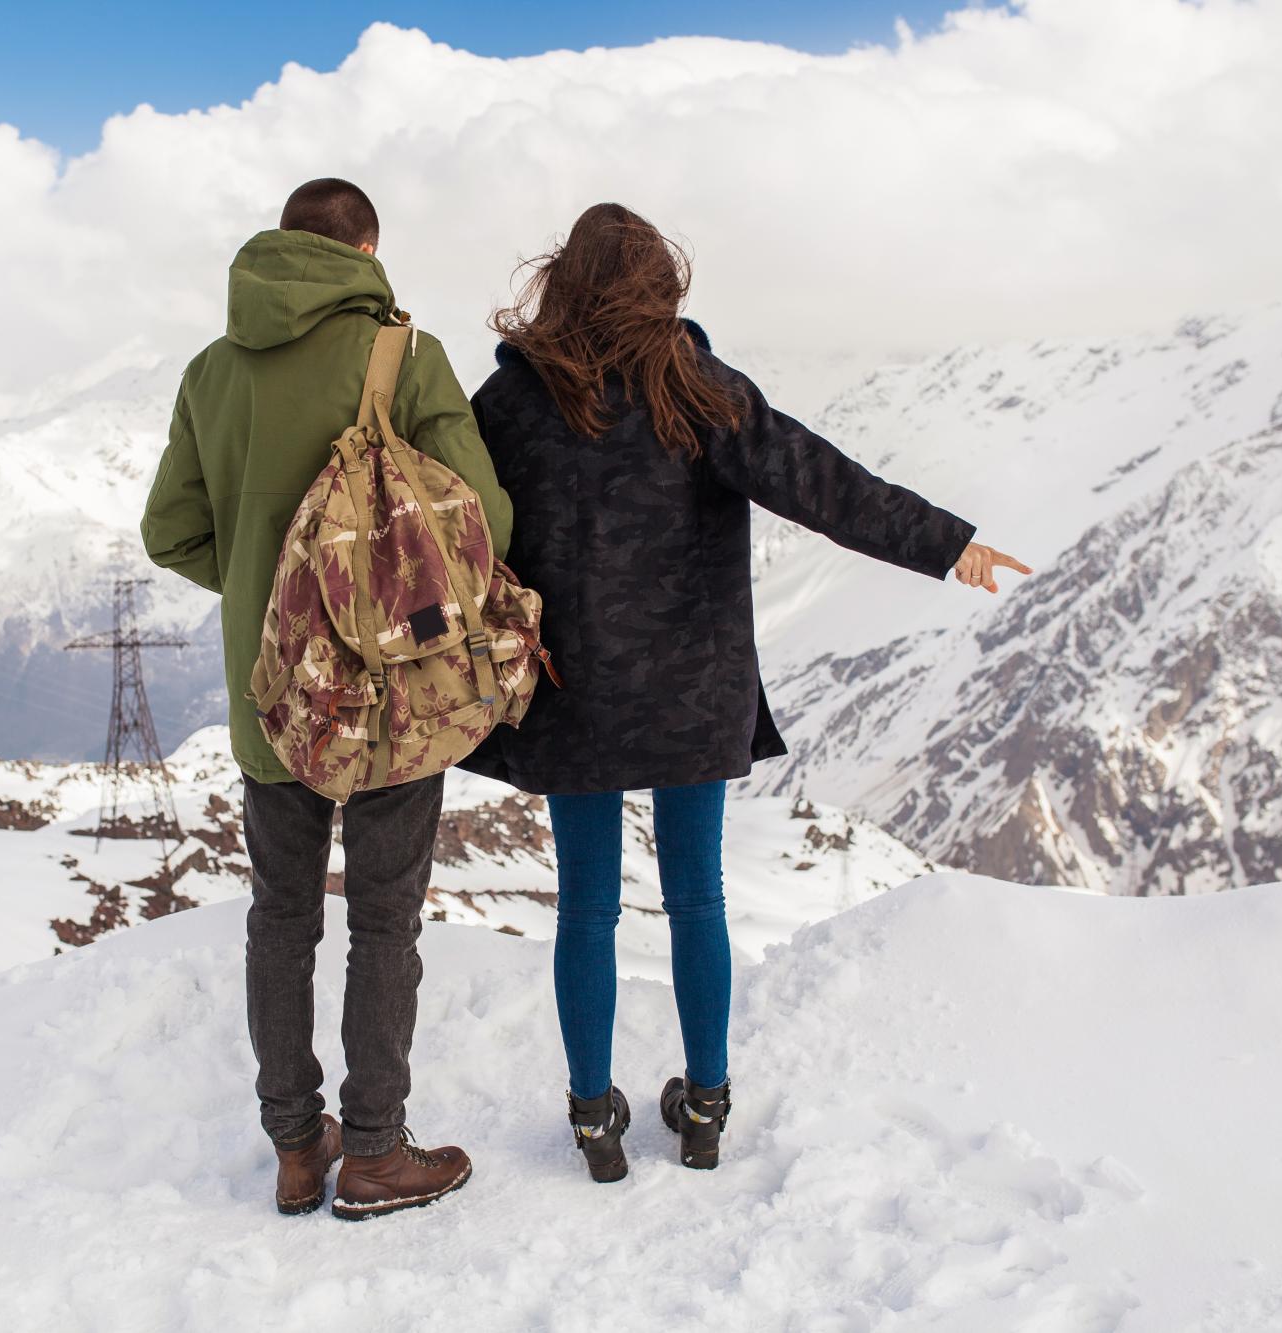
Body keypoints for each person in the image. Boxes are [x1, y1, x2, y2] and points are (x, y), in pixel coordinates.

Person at [459, 203, 1030, 1180]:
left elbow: (456, 522)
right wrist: (947, 547)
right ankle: (705, 1106)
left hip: (571, 694)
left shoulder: (512, 403)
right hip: (692, 689)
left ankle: (594, 1117)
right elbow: (822, 484)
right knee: (696, 895)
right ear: (658, 289)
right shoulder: (693, 385)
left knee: (586, 906)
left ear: (562, 282)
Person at [142, 179, 513, 1219]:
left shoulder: (212, 373)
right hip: (393, 695)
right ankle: (380, 1152)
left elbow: (168, 532)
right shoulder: (403, 356)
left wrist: (279, 589)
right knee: (384, 921)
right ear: (366, 247)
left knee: (280, 917)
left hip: (275, 701)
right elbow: (483, 517)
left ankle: (298, 1147)